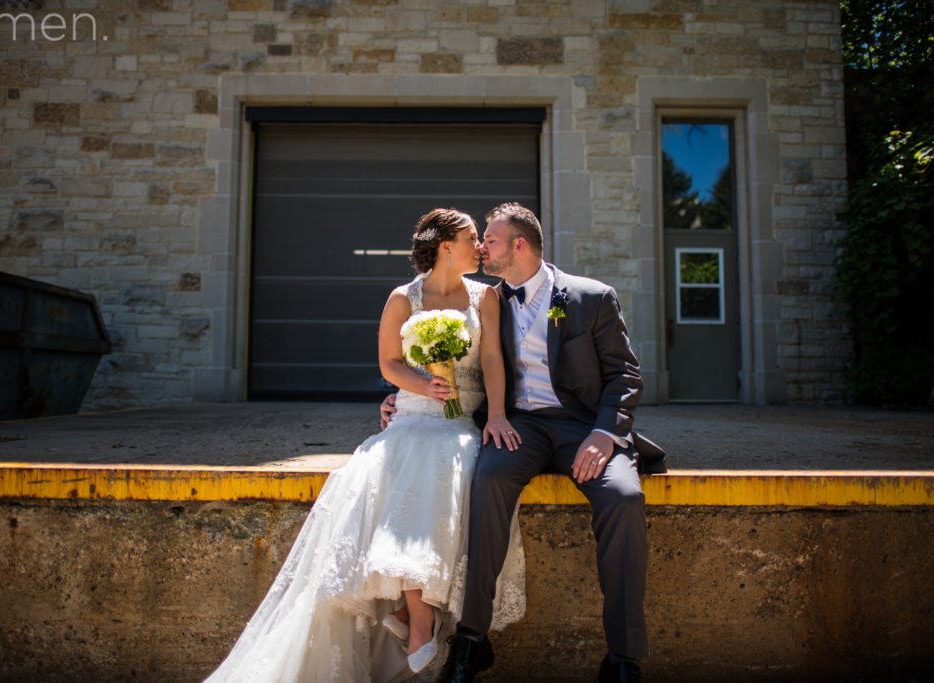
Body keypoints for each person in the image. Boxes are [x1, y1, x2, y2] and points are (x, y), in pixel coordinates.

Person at [202, 208, 525, 683]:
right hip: (413, 416)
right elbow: (390, 363)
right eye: (473, 237)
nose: (480, 246)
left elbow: (493, 360)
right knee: (404, 465)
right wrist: (420, 385)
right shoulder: (402, 298)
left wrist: (496, 414)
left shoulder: (486, 298)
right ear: (445, 247)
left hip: (461, 422)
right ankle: (417, 614)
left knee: (448, 463)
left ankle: (413, 613)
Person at [381, 203, 665, 683]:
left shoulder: (590, 297)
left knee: (624, 498)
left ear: (518, 245)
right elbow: (459, 363)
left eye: (489, 240)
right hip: (519, 428)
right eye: (479, 239)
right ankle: (472, 640)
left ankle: (623, 656)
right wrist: (398, 398)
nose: (481, 247)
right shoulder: (488, 300)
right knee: (487, 480)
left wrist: (603, 433)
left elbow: (625, 375)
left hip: (583, 429)